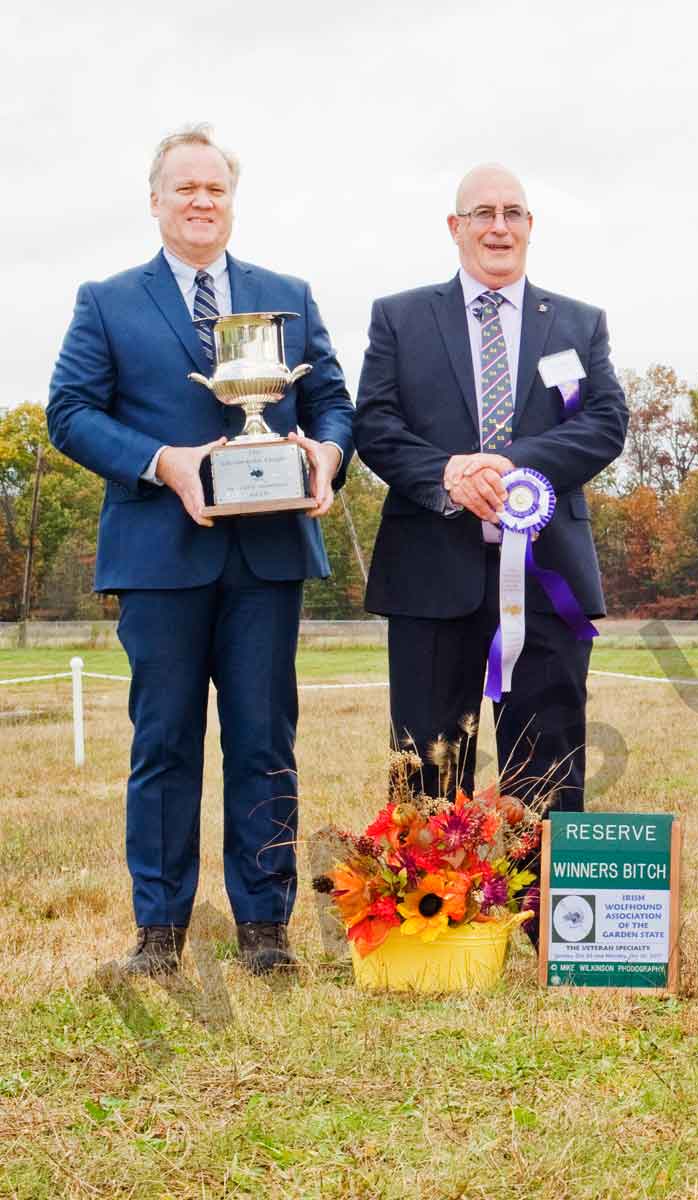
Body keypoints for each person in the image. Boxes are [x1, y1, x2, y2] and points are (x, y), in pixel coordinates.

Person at [47, 124, 354, 976]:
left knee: (264, 742)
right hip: (159, 558)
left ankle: (264, 929)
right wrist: (163, 464)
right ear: (155, 201)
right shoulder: (105, 301)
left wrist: (325, 457)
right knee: (165, 744)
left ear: (231, 199)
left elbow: (333, 402)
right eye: (183, 187)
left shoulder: (284, 292)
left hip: (267, 560)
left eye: (214, 187)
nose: (200, 200)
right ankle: (160, 931)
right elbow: (69, 413)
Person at [354, 163, 627, 825]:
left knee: (549, 775)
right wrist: (450, 475)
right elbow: (375, 424)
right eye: (482, 213)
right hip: (428, 579)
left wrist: (502, 466)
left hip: (547, 581)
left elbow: (604, 422)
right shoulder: (400, 318)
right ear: (456, 227)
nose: (498, 226)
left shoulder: (578, 324)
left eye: (512, 212)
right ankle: (439, 928)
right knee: (425, 776)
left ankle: (541, 925)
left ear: (530, 227)